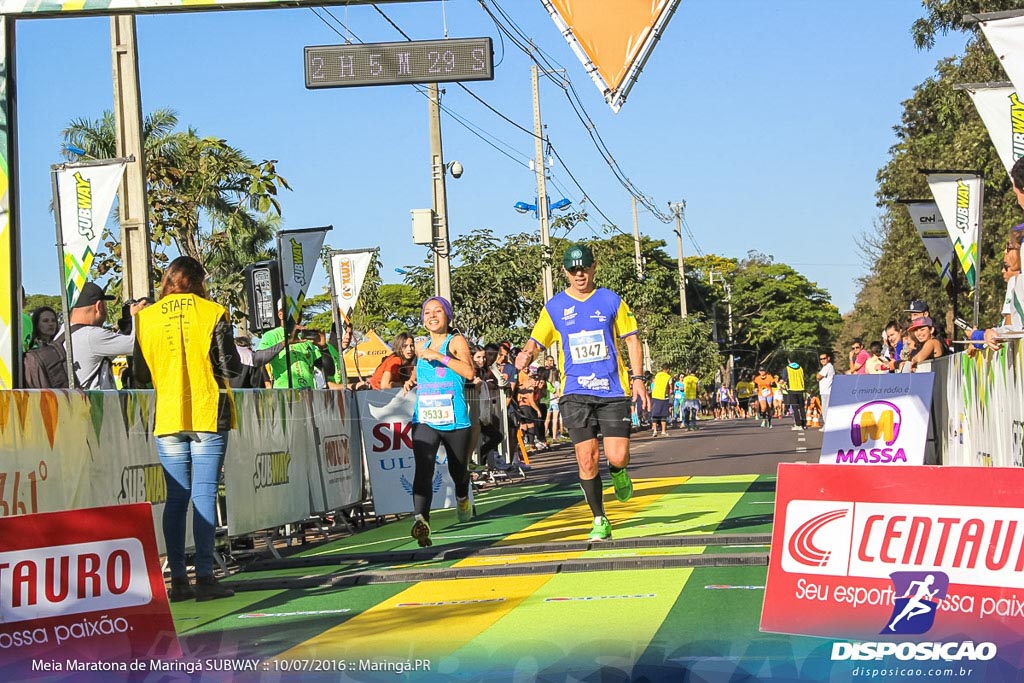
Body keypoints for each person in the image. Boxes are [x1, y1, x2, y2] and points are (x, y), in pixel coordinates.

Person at [514, 243, 649, 542]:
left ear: (593, 267)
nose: (579, 274)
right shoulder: (555, 307)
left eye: (584, 268)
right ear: (565, 272)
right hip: (575, 392)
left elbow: (632, 340)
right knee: (586, 458)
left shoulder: (611, 300)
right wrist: (525, 355)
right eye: (573, 270)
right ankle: (600, 517)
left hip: (612, 390)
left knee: (618, 455)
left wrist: (638, 379)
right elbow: (536, 341)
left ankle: (618, 471)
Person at [133, 256, 241, 602]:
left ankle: (178, 581)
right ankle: (206, 578)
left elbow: (138, 374)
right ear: (198, 280)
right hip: (208, 412)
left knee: (176, 498)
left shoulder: (145, 319)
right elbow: (231, 367)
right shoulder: (211, 312)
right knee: (204, 494)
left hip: (167, 416)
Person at [402, 296, 477, 547]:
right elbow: (420, 368)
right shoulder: (421, 344)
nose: (432, 316)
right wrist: (411, 379)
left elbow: (469, 372)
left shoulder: (455, 341)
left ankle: (462, 495)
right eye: (427, 312)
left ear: (448, 316)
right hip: (425, 417)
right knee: (424, 467)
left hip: (454, 418)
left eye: (438, 311)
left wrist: (439, 356)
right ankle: (421, 520)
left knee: (459, 471)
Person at [67, 282, 148, 389]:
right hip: (94, 404)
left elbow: (107, 353)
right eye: (105, 305)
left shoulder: (64, 333)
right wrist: (137, 316)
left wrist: (125, 327)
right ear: (99, 306)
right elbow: (137, 346)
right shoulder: (92, 335)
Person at [256, 303, 321, 389]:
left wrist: (323, 347)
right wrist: (286, 342)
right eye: (293, 312)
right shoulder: (271, 335)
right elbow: (258, 359)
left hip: (308, 395)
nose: (297, 317)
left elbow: (330, 371)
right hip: (285, 395)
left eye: (300, 313)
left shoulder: (305, 338)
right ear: (280, 315)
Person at [649, 363, 672, 437]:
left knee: (655, 414)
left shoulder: (657, 375)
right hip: (663, 397)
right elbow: (670, 387)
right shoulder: (668, 377)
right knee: (663, 415)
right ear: (668, 369)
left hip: (655, 395)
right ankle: (663, 431)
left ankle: (655, 431)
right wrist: (670, 394)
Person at [785, 360, 806, 430]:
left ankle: (798, 424)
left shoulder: (787, 368)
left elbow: (785, 378)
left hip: (792, 389)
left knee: (795, 408)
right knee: (802, 407)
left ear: (789, 361)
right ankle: (804, 424)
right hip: (800, 389)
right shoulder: (800, 368)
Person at [816, 352, 835, 423]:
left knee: (825, 410)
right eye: (821, 359)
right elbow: (818, 378)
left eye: (824, 358)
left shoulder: (828, 366)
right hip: (825, 391)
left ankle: (826, 425)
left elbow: (818, 376)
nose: (822, 360)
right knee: (825, 409)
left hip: (827, 392)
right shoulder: (825, 367)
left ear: (828, 358)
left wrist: (818, 375)